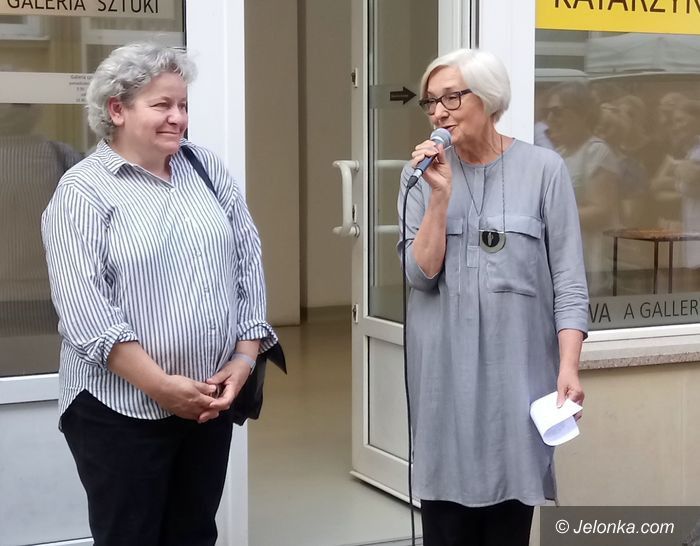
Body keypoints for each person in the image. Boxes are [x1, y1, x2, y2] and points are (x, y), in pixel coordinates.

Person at [41, 42, 276, 546]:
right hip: (119, 409)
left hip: (209, 399)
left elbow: (247, 263)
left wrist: (243, 359)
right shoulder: (82, 191)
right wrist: (162, 387)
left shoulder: (204, 168)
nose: (178, 118)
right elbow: (85, 313)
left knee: (194, 533)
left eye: (183, 105)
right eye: (162, 105)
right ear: (117, 110)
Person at [397, 48, 588, 546]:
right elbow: (420, 275)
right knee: (445, 526)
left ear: (488, 98)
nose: (439, 113)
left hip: (516, 384)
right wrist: (440, 197)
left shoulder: (544, 170)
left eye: (451, 98)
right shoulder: (419, 176)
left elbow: (569, 281)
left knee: (508, 525)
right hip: (443, 386)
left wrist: (569, 366)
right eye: (430, 102)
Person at [545, 81, 621, 295]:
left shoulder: (597, 152)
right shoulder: (560, 154)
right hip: (565, 259)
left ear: (583, 113)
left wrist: (548, 218)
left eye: (557, 112)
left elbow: (602, 211)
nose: (550, 119)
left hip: (592, 260)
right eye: (547, 112)